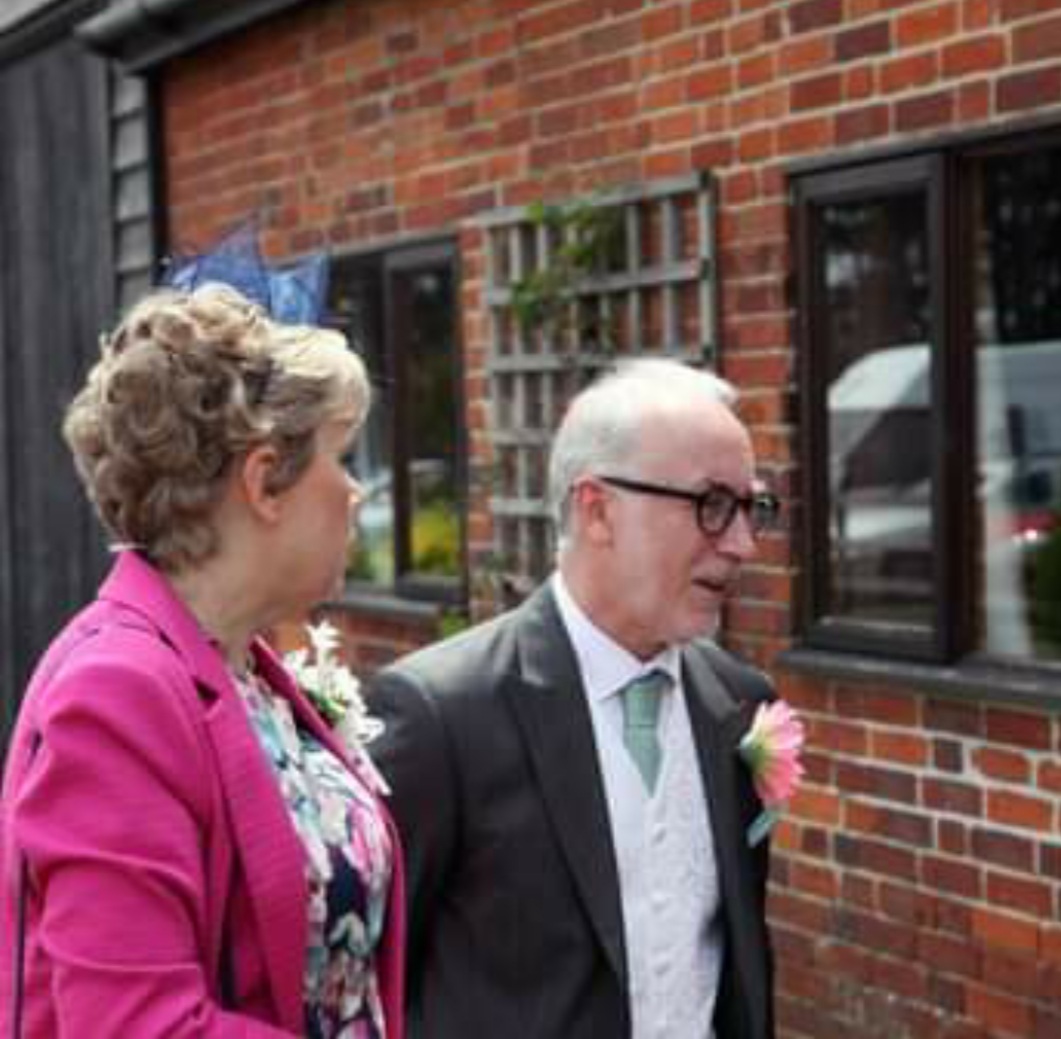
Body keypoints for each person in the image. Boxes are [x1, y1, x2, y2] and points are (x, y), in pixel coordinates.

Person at [0, 283, 405, 1038]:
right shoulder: (116, 692)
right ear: (263, 481)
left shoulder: (245, 667)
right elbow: (133, 1024)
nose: (356, 492)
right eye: (342, 458)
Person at [368, 358, 781, 1039]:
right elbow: (370, 982)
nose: (741, 544)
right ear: (597, 510)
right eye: (712, 505)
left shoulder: (740, 703)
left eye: (752, 508)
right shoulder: (443, 713)